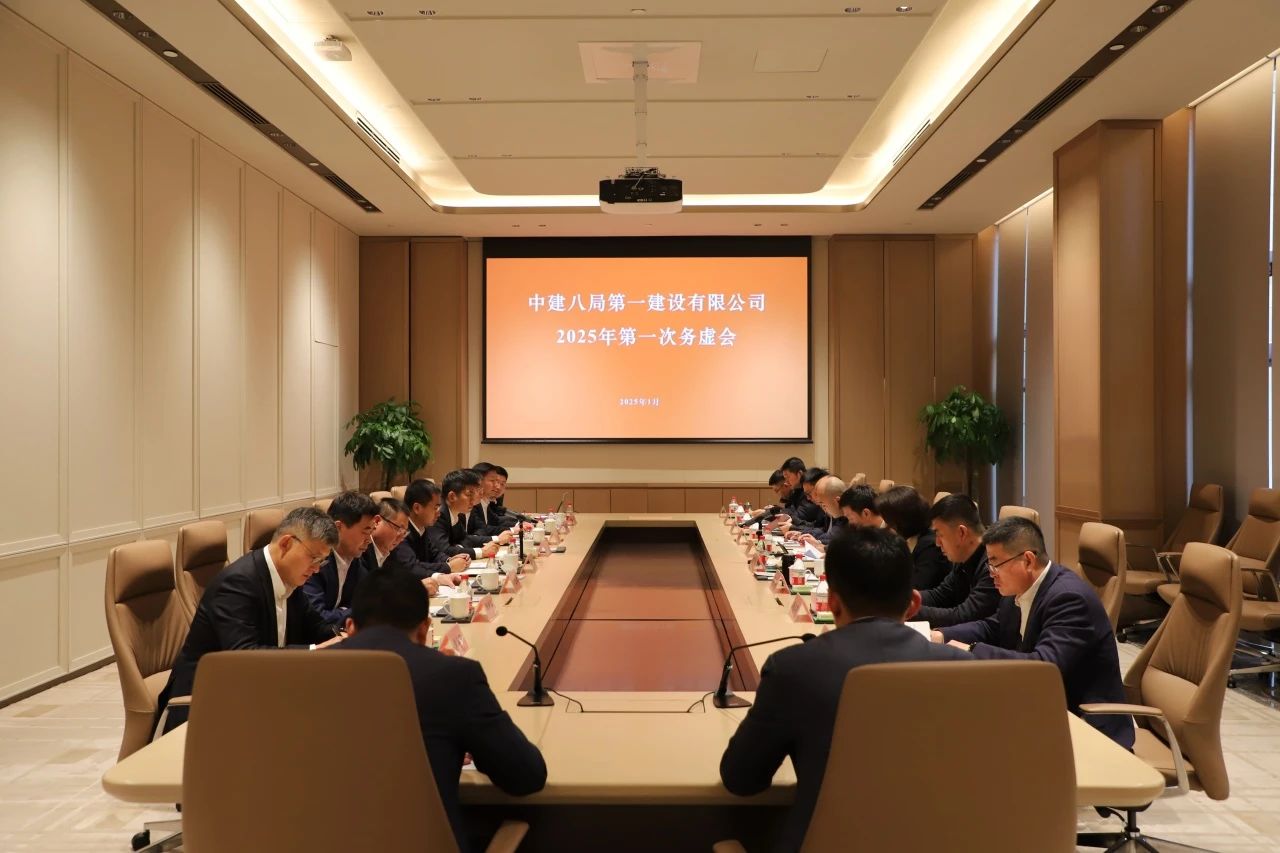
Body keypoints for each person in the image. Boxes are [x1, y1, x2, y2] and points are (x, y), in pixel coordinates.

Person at [719, 527, 972, 852]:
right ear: (913, 604)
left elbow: (741, 779)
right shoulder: (962, 670)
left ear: (832, 603)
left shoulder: (793, 669)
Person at [337, 569, 547, 852]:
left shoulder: (299, 678)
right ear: (424, 629)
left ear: (350, 627)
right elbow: (525, 776)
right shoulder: (453, 676)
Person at [934, 516, 1135, 748]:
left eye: (995, 563)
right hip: (1043, 707)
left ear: (1028, 560)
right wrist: (941, 635)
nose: (991, 573)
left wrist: (971, 650)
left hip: (1086, 725)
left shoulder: (1068, 598)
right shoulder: (1021, 587)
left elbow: (1044, 667)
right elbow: (993, 627)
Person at [154, 507, 342, 734]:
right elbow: (244, 655)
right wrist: (316, 651)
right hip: (205, 706)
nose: (316, 569)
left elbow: (317, 627)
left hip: (253, 693)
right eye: (314, 558)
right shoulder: (237, 584)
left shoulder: (290, 578)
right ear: (286, 544)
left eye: (322, 561)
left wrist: (348, 638)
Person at [914, 494, 1000, 628]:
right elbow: (941, 595)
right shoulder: (964, 556)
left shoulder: (994, 563)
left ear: (961, 533)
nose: (937, 543)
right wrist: (905, 599)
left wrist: (908, 610)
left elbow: (964, 616)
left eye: (940, 535)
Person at [303, 491, 379, 628]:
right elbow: (317, 617)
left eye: (372, 531)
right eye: (366, 531)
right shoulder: (315, 560)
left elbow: (370, 601)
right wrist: (351, 611)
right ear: (338, 528)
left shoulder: (356, 557)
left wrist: (345, 611)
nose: (369, 539)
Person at [875, 485, 949, 591]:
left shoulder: (931, 546)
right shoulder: (910, 539)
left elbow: (916, 588)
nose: (885, 526)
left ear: (902, 522)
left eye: (888, 522)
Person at [399, 478, 469, 585]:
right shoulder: (401, 531)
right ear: (417, 508)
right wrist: (448, 567)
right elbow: (411, 567)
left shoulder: (421, 526)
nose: (439, 513)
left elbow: (434, 553)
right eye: (435, 508)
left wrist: (449, 559)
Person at [429, 469, 505, 559]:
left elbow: (465, 538)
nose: (474, 499)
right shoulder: (438, 513)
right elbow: (444, 550)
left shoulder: (454, 512)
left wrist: (497, 539)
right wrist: (481, 552)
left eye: (474, 493)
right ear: (452, 496)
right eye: (469, 494)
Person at [776, 457, 825, 528]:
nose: (786, 482)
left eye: (788, 477)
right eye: (785, 478)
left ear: (799, 474)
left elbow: (800, 516)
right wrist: (775, 511)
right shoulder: (797, 490)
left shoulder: (809, 489)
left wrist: (785, 516)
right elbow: (790, 510)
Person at [364, 496, 411, 570]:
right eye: (399, 529)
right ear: (377, 521)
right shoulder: (361, 552)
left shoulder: (394, 554)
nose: (401, 538)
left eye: (404, 532)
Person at [470, 462, 514, 535]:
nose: (497, 486)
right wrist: (513, 530)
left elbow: (496, 520)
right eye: (492, 481)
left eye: (502, 483)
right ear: (479, 481)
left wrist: (520, 524)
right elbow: (482, 529)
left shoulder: (485, 502)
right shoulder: (472, 503)